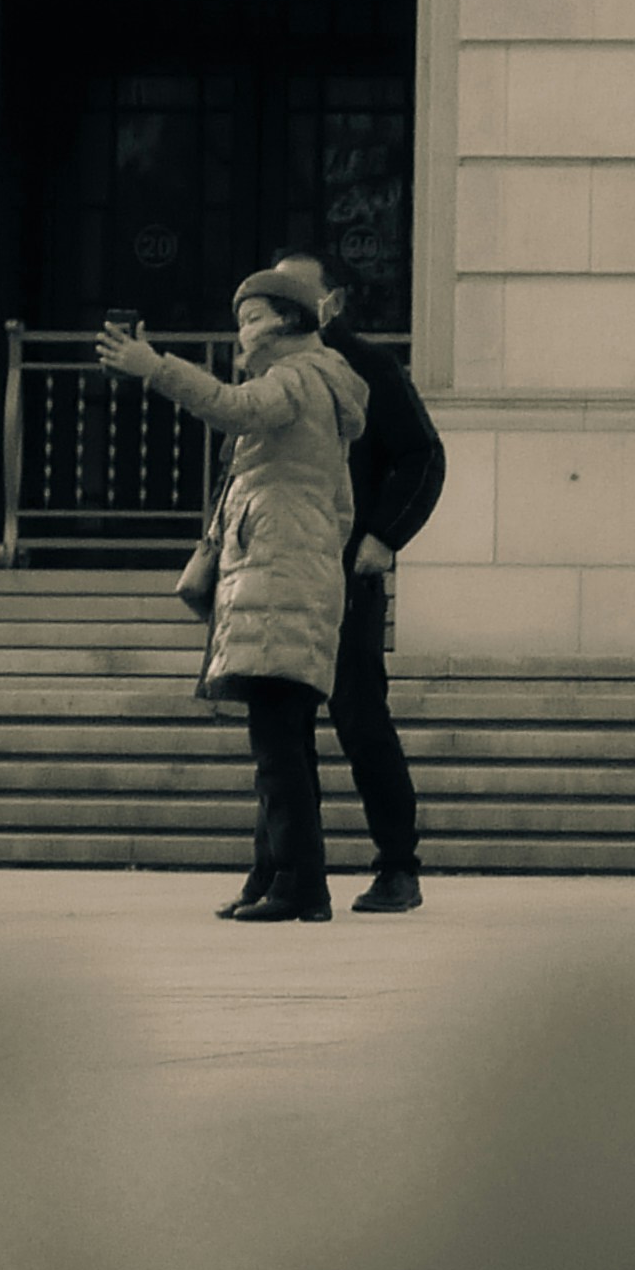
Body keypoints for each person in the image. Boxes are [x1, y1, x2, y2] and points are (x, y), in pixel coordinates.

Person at [97, 270, 368, 925]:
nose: (239, 331)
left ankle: (301, 886)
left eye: (248, 317)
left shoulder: (297, 377)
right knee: (281, 743)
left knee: (278, 746)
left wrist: (154, 366)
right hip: (287, 578)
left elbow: (233, 407)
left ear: (280, 321)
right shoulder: (315, 379)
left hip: (281, 581)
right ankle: (271, 873)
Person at [260, 244, 444, 917]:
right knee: (281, 729)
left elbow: (423, 455)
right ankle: (282, 873)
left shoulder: (368, 367)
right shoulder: (269, 370)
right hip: (282, 572)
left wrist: (383, 536)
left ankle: (397, 865)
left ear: (329, 301)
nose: (277, 307)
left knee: (361, 721)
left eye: (292, 295)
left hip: (343, 571)